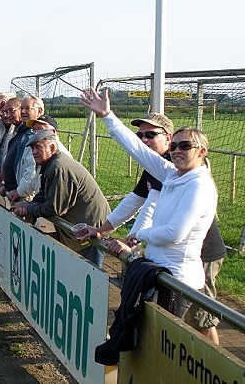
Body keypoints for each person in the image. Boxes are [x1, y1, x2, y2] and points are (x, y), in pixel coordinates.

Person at [79, 112, 226, 344]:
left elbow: (173, 231)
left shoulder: (195, 183)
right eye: (141, 135)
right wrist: (107, 116)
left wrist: (135, 237)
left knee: (199, 323)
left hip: (197, 260)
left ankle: (217, 366)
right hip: (164, 265)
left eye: (184, 146)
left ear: (201, 151)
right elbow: (138, 198)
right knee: (166, 335)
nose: (144, 140)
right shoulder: (170, 173)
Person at [13, 129, 110, 267]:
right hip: (81, 225)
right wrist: (29, 205)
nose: (34, 152)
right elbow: (43, 193)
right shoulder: (50, 164)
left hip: (90, 227)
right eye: (32, 148)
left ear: (52, 147)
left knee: (89, 271)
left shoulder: (58, 167)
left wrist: (29, 208)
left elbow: (54, 208)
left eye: (38, 147)